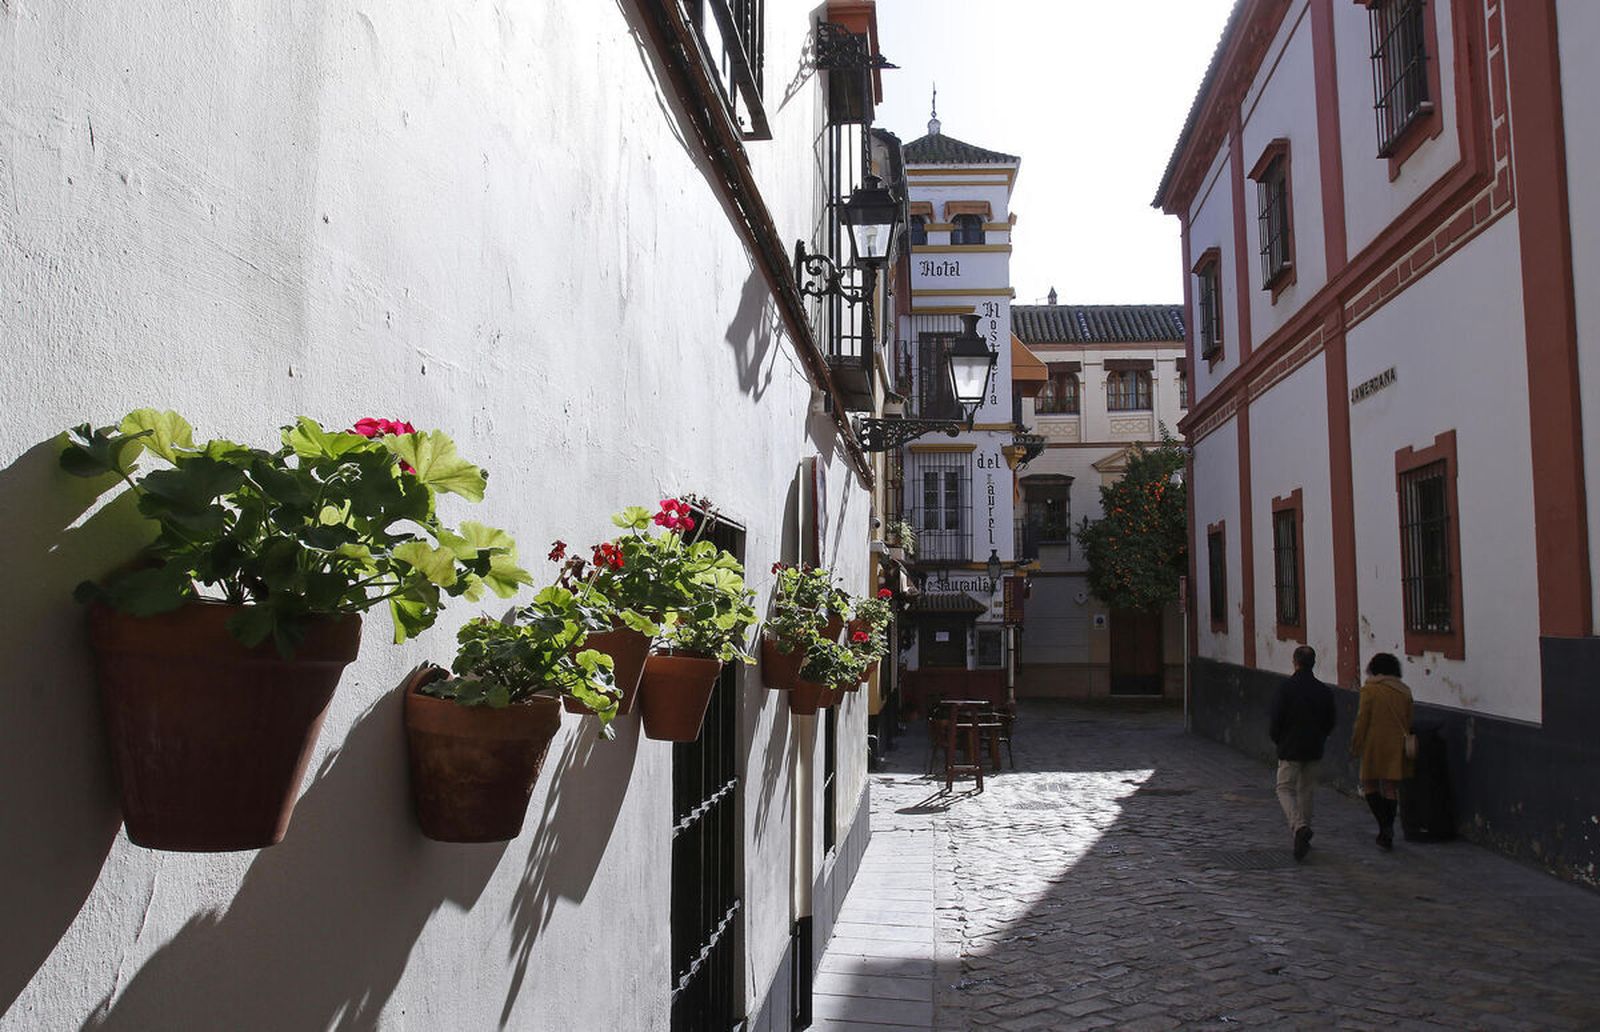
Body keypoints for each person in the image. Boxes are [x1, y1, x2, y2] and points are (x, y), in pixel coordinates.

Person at [1269, 645, 1337, 861]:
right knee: (1306, 790)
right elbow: (1330, 721)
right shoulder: (1323, 691)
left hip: (1290, 747)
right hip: (1314, 746)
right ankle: (1303, 834)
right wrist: (1320, 737)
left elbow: (1276, 720)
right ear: (1314, 662)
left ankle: (1299, 827)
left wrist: (1278, 740)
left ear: (1295, 662)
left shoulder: (1286, 689)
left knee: (1284, 789)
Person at [1350, 652, 1414, 851]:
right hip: (1396, 745)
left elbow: (1363, 720)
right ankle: (1388, 828)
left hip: (1374, 744)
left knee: (1370, 785)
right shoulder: (1404, 691)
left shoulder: (1370, 690)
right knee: (1390, 788)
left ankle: (1384, 826)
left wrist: (1356, 745)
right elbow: (1408, 720)